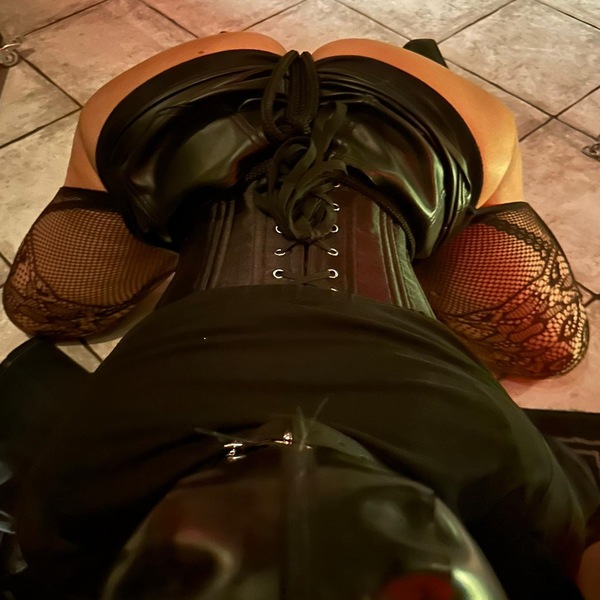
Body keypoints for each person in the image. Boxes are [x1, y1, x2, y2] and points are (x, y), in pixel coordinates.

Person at [0, 32, 598, 599]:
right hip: (414, 132)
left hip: (177, 117)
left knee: (43, 309)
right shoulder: (525, 511)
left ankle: (195, 203)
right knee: (547, 350)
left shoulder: (68, 513)